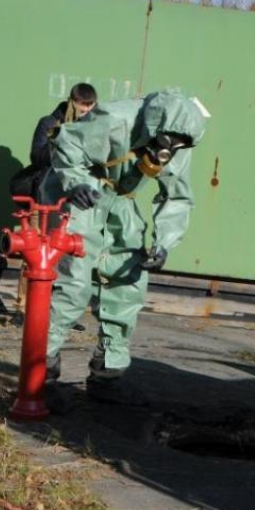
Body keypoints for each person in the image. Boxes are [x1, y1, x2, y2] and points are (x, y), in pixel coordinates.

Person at [40, 87, 208, 410]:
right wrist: (75, 185)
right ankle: (41, 372)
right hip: (80, 191)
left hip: (120, 199)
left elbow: (177, 196)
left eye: (177, 147)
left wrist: (164, 242)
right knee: (73, 282)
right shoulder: (115, 120)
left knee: (128, 279)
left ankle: (107, 375)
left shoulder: (181, 138)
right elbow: (67, 146)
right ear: (155, 128)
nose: (168, 153)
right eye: (164, 144)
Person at [26, 82, 98, 332]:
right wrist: (62, 144)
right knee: (36, 252)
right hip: (45, 197)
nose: (85, 110)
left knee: (67, 256)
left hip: (72, 201)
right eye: (82, 104)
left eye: (90, 105)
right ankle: (26, 309)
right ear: (71, 101)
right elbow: (35, 156)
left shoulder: (93, 127)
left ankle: (61, 312)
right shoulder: (49, 123)